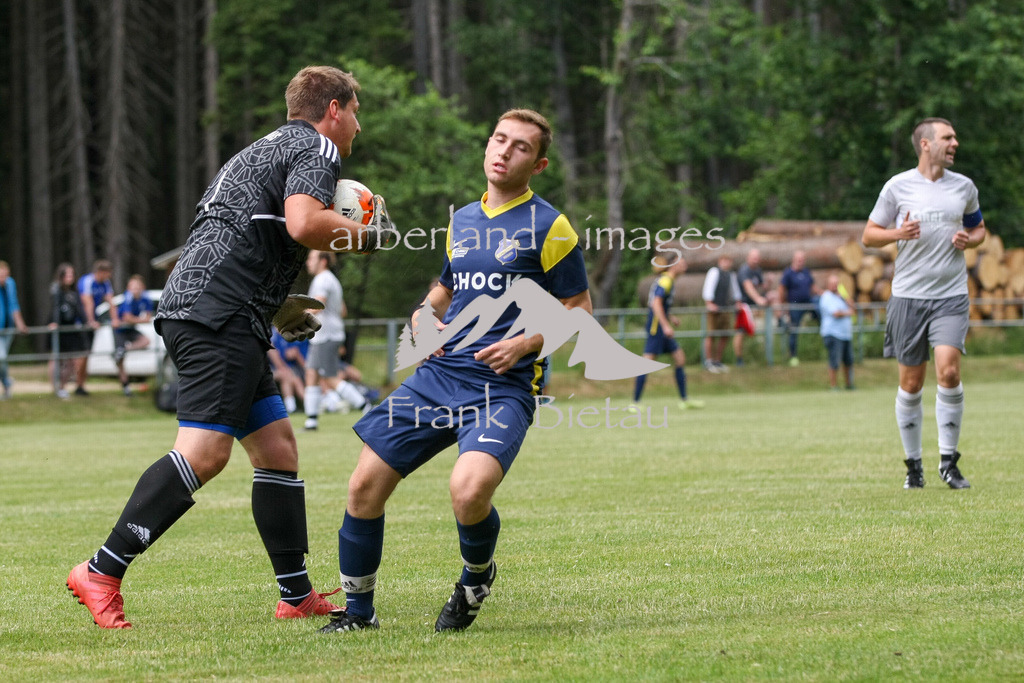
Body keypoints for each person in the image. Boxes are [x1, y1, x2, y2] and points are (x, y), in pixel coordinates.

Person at [66, 65, 393, 629]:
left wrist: (276, 306)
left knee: (278, 451)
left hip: (216, 308)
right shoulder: (317, 145)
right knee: (205, 453)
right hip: (216, 316)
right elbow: (302, 224)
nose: (357, 125)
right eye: (356, 111)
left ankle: (295, 594)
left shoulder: (261, 150)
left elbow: (234, 233)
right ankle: (102, 569)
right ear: (333, 109)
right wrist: (369, 236)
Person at [318, 109, 591, 634]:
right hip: (440, 378)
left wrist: (528, 343)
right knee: (363, 487)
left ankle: (476, 577)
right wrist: (424, 324)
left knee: (468, 493)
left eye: (520, 147)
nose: (504, 151)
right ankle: (358, 613)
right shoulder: (462, 220)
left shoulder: (549, 225)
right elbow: (444, 289)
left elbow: (579, 308)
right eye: (499, 139)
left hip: (503, 388)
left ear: (539, 164)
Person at [862, 117, 986, 490]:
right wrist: (897, 233)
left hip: (950, 296)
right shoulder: (897, 187)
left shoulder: (964, 187)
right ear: (926, 144)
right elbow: (869, 235)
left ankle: (949, 462)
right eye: (948, 138)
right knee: (912, 383)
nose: (955, 143)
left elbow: (980, 228)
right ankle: (913, 466)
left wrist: (972, 239)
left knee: (948, 372)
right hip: (908, 298)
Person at [302, 249, 369, 430]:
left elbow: (319, 304)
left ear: (322, 261)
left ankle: (366, 408)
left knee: (330, 378)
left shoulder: (322, 279)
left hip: (326, 335)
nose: (308, 262)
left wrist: (295, 315)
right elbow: (343, 311)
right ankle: (311, 421)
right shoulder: (331, 279)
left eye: (311, 258)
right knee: (312, 373)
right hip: (326, 335)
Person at [629, 257, 703, 411]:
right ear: (673, 265)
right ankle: (634, 403)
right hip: (657, 328)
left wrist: (670, 318)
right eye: (682, 263)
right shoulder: (666, 281)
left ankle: (684, 400)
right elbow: (655, 304)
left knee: (679, 358)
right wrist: (665, 325)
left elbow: (659, 305)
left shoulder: (668, 280)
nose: (685, 265)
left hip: (661, 326)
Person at [75, 259, 118, 396]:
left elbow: (111, 302)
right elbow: (88, 302)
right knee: (81, 353)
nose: (109, 277)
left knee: (86, 353)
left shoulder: (105, 283)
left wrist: (115, 319)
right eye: (108, 274)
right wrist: (91, 320)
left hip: (92, 322)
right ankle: (76, 382)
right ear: (101, 272)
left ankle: (80, 385)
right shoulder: (87, 281)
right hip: (80, 320)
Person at [48, 263, 88, 400]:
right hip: (59, 327)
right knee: (56, 358)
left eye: (72, 274)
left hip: (70, 329)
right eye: (67, 274)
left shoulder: (74, 292)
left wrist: (87, 322)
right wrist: (55, 323)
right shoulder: (56, 289)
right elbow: (55, 308)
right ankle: (56, 388)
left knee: (72, 361)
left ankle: (62, 386)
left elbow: (79, 309)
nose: (70, 277)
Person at [113, 274, 154, 396]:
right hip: (120, 330)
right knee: (120, 360)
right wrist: (137, 320)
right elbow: (126, 317)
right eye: (132, 287)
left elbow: (147, 317)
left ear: (142, 287)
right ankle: (126, 387)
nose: (135, 290)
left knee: (146, 341)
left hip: (130, 328)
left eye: (137, 287)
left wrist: (133, 320)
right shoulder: (127, 298)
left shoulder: (146, 299)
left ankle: (124, 349)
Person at [701, 254, 741, 372]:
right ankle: (709, 362)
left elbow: (735, 291)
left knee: (725, 335)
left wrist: (737, 302)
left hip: (725, 308)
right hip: (714, 309)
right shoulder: (714, 272)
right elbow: (708, 288)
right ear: (720, 261)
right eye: (724, 260)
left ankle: (717, 361)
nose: (726, 263)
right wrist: (709, 303)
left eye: (728, 260)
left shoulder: (730, 275)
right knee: (711, 334)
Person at [778, 250, 817, 366]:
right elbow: (781, 289)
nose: (801, 262)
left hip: (807, 303)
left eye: (802, 260)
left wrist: (823, 293)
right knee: (794, 330)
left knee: (820, 310)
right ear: (794, 260)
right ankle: (793, 356)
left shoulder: (806, 272)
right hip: (794, 305)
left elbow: (813, 287)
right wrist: (783, 305)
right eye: (799, 260)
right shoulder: (788, 273)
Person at [818, 273, 854, 390]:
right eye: (832, 284)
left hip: (845, 334)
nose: (835, 286)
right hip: (833, 334)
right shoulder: (826, 297)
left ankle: (849, 385)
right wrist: (848, 313)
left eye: (836, 284)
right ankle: (834, 385)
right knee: (834, 361)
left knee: (848, 361)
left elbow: (852, 306)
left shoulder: (841, 296)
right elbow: (836, 313)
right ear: (828, 285)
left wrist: (844, 295)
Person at [734, 248, 768, 366]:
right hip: (744, 307)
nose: (755, 260)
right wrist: (758, 299)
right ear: (748, 258)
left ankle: (761, 356)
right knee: (741, 332)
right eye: (753, 257)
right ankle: (739, 359)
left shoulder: (758, 270)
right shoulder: (744, 270)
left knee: (761, 330)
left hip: (755, 307)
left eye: (757, 258)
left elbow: (761, 287)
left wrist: (768, 286)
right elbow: (748, 287)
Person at [0, 260, 29, 399]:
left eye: (4, 275)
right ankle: (7, 382)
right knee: (1, 357)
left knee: (2, 358)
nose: (3, 278)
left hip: (8, 328)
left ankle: (6, 385)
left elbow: (13, 305)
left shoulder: (10, 284)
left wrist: (20, 324)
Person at [270, 328, 308, 414]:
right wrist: (283, 368)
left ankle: (297, 407)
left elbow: (293, 353)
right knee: (286, 375)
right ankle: (294, 407)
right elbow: (273, 355)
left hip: (288, 368)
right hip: (268, 369)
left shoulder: (286, 335)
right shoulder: (272, 336)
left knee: (294, 377)